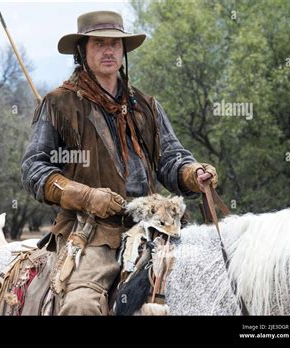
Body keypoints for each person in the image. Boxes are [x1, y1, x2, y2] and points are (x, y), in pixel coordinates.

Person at [21, 11, 217, 315]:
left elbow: (170, 159)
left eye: (115, 43)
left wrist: (193, 174)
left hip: (155, 223)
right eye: (99, 43)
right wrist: (86, 196)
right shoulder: (59, 104)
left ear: (123, 51)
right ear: (82, 51)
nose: (109, 50)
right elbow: (34, 168)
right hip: (93, 231)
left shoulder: (146, 106)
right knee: (80, 304)